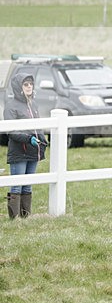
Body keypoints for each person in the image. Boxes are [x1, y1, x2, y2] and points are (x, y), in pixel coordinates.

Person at [4, 73, 47, 219]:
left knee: (28, 185)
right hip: (19, 152)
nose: (29, 86)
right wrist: (29, 139)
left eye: (30, 84)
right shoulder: (11, 107)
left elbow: (37, 126)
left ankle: (26, 217)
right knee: (17, 185)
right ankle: (14, 218)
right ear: (18, 87)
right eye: (25, 84)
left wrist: (42, 139)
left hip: (33, 151)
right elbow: (12, 132)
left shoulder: (33, 104)